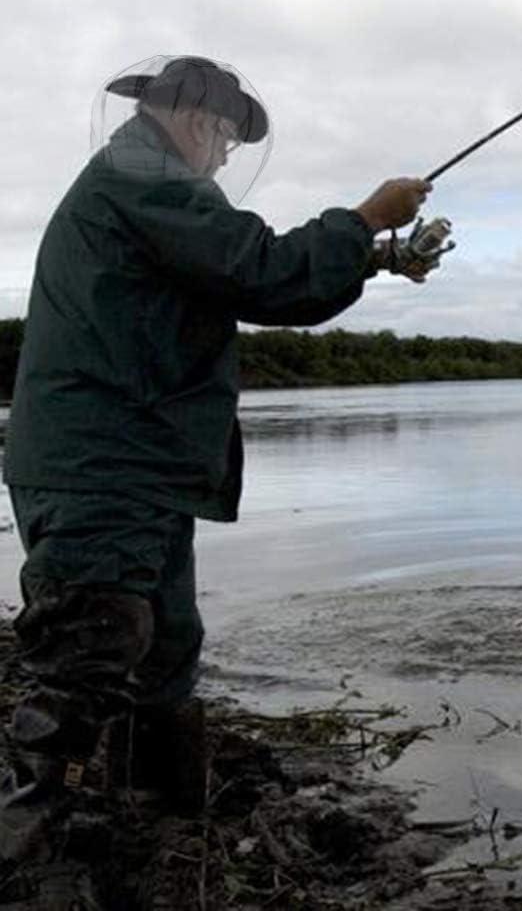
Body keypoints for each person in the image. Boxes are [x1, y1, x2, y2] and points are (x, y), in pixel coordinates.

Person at [0, 55, 453, 903]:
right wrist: (364, 217)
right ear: (195, 119)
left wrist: (372, 256)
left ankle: (157, 824)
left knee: (165, 646)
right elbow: (262, 270)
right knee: (89, 652)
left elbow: (267, 284)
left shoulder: (150, 187)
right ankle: (29, 863)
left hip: (139, 467)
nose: (224, 153)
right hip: (100, 464)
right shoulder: (144, 177)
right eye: (223, 135)